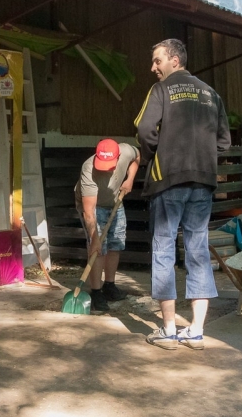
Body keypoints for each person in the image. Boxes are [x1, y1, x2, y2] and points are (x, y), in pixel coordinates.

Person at [134, 38, 230, 351]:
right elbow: (224, 142)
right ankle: (197, 331)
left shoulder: (161, 90)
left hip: (169, 180)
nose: (153, 68)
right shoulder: (211, 93)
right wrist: (201, 158)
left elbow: (145, 130)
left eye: (157, 60)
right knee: (198, 249)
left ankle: (168, 329)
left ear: (175, 61)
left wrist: (154, 156)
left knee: (163, 248)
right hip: (202, 182)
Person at [74, 139, 140, 311]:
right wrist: (95, 238)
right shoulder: (88, 168)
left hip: (115, 201)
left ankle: (109, 286)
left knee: (115, 245)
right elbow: (89, 211)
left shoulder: (125, 151)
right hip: (94, 206)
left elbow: (137, 157)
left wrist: (130, 179)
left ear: (118, 157)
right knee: (98, 249)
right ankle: (96, 292)